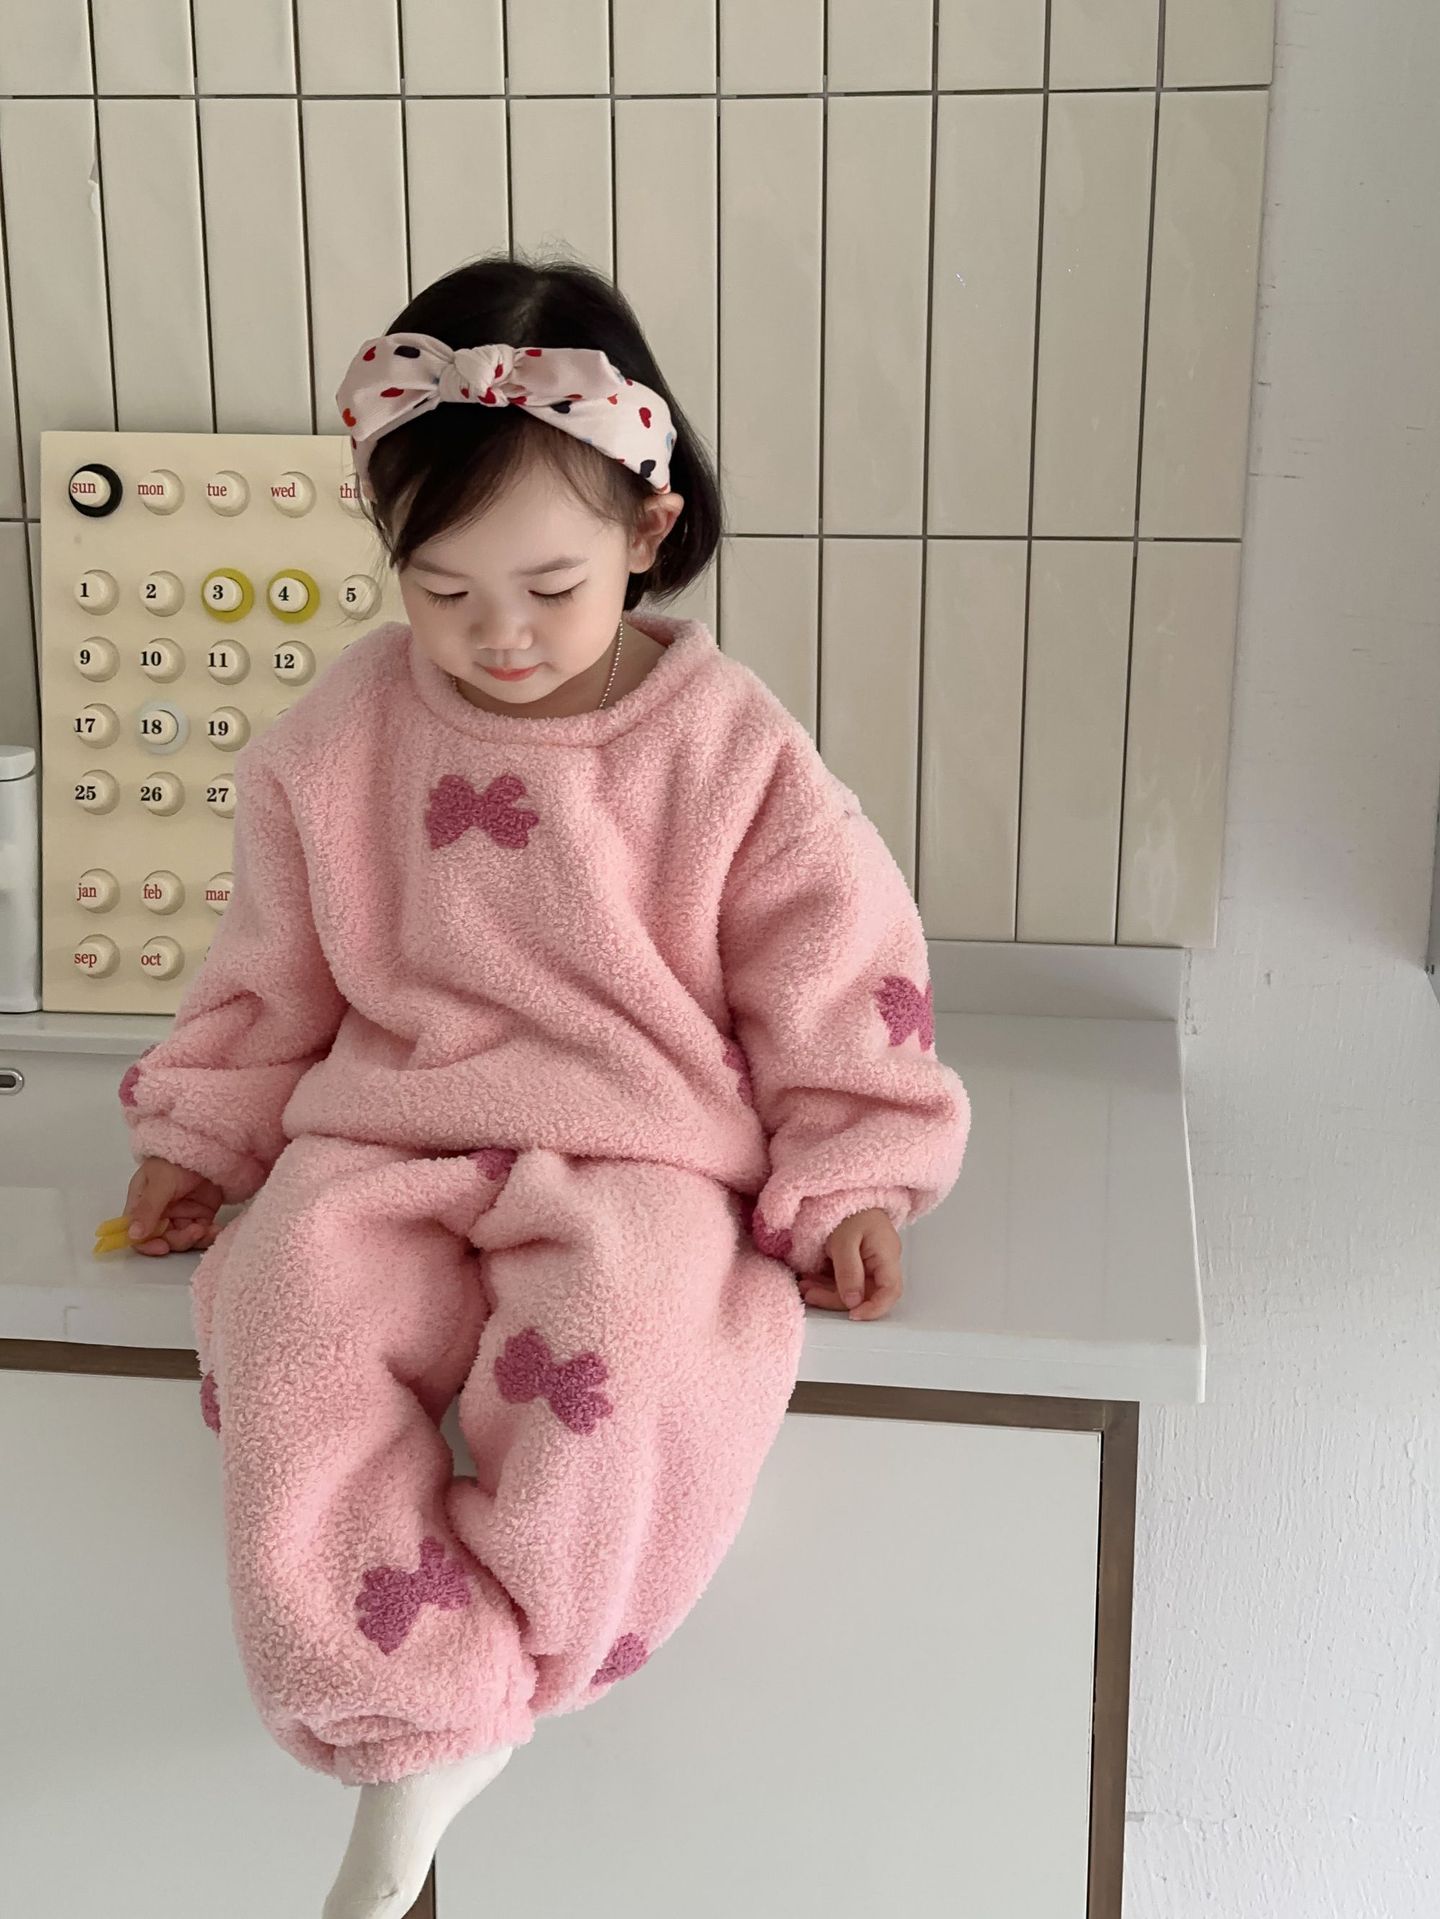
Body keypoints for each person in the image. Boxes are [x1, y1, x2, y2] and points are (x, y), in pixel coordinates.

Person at [113, 254, 971, 1919]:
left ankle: (482, 1704)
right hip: (385, 1130)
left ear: (649, 530)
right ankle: (403, 1708)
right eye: (441, 591)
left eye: (549, 587)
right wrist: (200, 1133)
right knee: (281, 1311)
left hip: (640, 1147)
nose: (495, 636)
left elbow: (833, 967)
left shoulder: (727, 746)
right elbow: (272, 971)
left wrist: (858, 1170)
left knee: (634, 1353)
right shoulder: (336, 739)